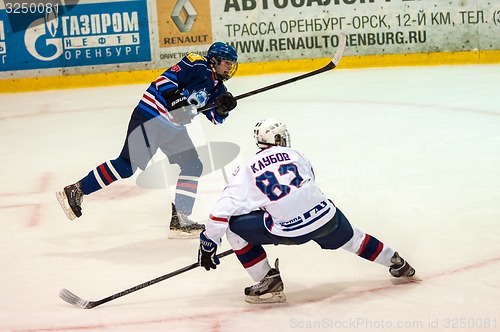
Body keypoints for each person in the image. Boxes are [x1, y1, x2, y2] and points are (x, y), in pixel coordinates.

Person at [197, 118, 417, 303]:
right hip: (327, 216)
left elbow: (222, 211)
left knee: (233, 228)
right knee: (353, 239)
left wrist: (209, 242)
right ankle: (396, 261)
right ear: (278, 139)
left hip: (291, 231)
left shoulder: (245, 168)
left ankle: (267, 279)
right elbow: (305, 185)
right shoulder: (297, 154)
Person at [56, 42, 239, 239]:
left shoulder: (219, 89)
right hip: (151, 117)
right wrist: (175, 98)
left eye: (231, 64)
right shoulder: (196, 64)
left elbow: (215, 118)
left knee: (193, 165)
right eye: (227, 63)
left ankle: (181, 219)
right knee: (126, 166)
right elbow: (164, 80)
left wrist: (224, 107)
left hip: (174, 129)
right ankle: (76, 190)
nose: (229, 68)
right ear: (214, 60)